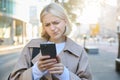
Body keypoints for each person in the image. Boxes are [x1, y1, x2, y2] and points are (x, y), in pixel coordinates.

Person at [9, 3, 92, 80]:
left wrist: (65, 74)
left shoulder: (79, 51)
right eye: (47, 24)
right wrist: (36, 70)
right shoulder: (31, 47)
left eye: (56, 22)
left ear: (65, 22)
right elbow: (15, 78)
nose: (52, 28)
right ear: (44, 27)